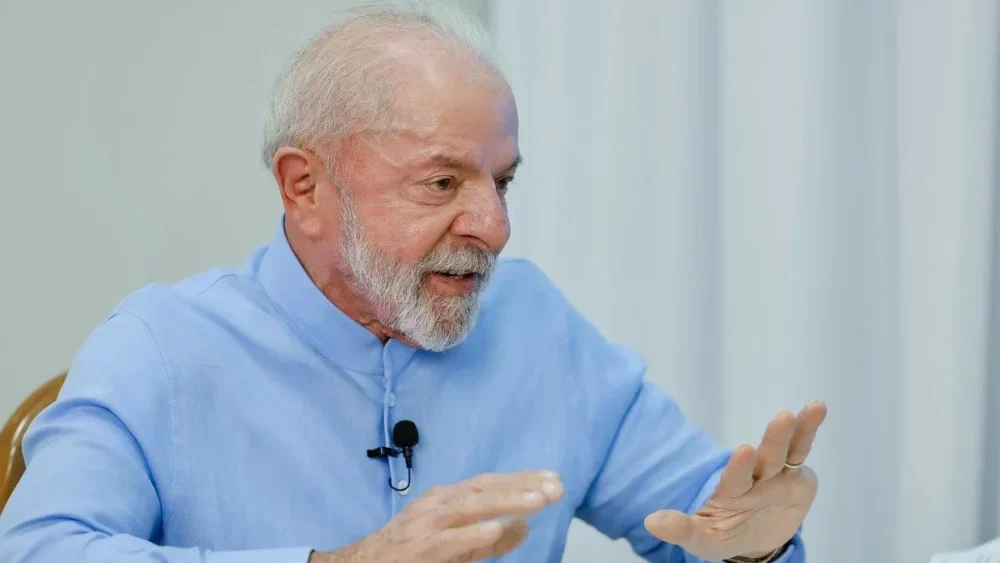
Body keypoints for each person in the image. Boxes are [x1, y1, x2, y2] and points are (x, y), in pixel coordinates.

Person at [0, 2, 827, 562]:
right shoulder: (159, 348)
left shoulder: (535, 322)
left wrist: (751, 546)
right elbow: (38, 549)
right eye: (441, 183)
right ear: (305, 187)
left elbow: (701, 514)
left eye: (502, 182)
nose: (494, 227)